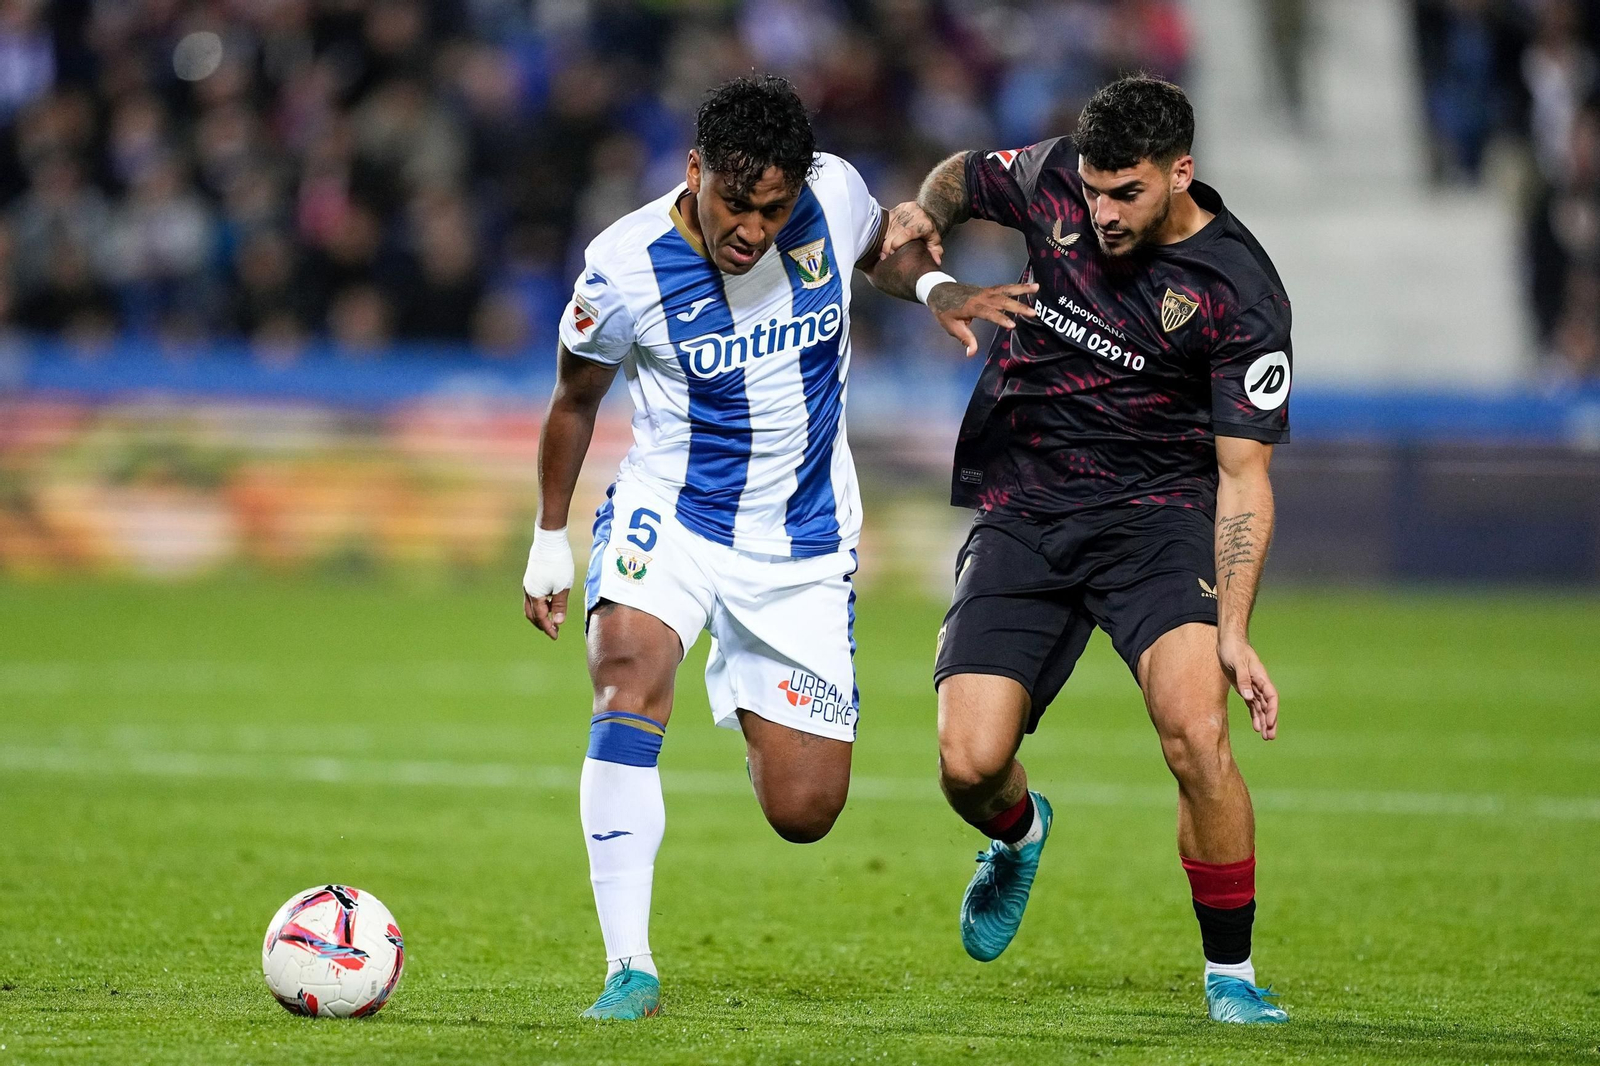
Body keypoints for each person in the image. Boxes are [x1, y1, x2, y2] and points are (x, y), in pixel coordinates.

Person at [520, 74, 1032, 1021]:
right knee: (625, 675)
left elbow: (876, 245)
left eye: (772, 209)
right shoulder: (623, 267)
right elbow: (574, 401)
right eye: (734, 204)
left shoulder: (831, 192)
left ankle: (1001, 822)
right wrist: (550, 538)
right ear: (693, 171)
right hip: (669, 513)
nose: (752, 230)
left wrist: (931, 285)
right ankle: (628, 966)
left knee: (804, 811)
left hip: (798, 542)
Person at [880, 74, 1293, 1024]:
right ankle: (1020, 837)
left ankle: (1230, 978)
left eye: (1127, 193)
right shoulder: (1052, 176)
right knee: (967, 765)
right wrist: (928, 215)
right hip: (1023, 501)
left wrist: (1233, 629)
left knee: (1197, 732)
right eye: (1095, 190)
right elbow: (957, 176)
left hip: (1155, 520)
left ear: (1180, 172)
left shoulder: (1239, 291)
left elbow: (1243, 477)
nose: (1101, 211)